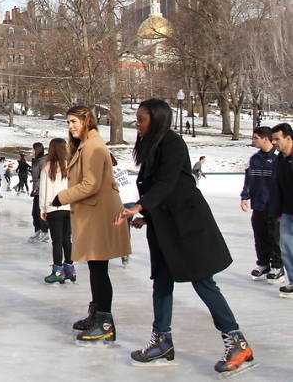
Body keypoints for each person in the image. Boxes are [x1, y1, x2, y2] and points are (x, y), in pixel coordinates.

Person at [116, 99, 253, 374]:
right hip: (166, 226)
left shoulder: (172, 142)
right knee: (162, 283)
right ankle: (162, 341)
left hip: (188, 225)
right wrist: (147, 216)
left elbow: (168, 183)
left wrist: (140, 205)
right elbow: (160, 187)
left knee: (203, 282)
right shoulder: (152, 146)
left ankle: (236, 340)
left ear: (157, 119)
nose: (137, 123)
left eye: (141, 119)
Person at [52, 106, 130, 344]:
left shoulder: (94, 147)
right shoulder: (87, 145)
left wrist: (61, 197)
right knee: (97, 269)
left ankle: (104, 323)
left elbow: (91, 184)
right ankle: (97, 314)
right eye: (68, 122)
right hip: (93, 213)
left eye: (74, 121)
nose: (71, 126)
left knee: (99, 270)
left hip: (100, 214)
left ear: (87, 121)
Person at [240, 126, 284, 282]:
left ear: (266, 138)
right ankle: (263, 263)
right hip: (258, 205)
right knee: (260, 236)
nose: (253, 141)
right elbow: (249, 180)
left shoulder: (279, 158)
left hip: (273, 206)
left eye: (255, 138)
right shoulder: (254, 159)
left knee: (275, 237)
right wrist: (245, 196)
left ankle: (277, 266)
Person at [41, 138, 73, 284]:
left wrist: (42, 208)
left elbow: (43, 189)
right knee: (67, 239)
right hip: (69, 206)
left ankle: (58, 270)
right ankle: (69, 269)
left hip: (53, 207)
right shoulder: (70, 166)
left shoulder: (48, 166)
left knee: (57, 241)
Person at [270, 123, 293, 299]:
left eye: (277, 139)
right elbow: (276, 187)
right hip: (286, 212)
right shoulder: (279, 160)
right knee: (286, 248)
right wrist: (276, 211)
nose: (274, 142)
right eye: (273, 139)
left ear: (288, 138)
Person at [28, 143, 50, 243]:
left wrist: (37, 188)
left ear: (36, 149)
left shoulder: (43, 161)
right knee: (34, 213)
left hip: (42, 191)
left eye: (32, 149)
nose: (31, 151)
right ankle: (37, 231)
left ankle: (44, 233)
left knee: (40, 212)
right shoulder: (37, 161)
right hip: (37, 190)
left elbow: (44, 177)